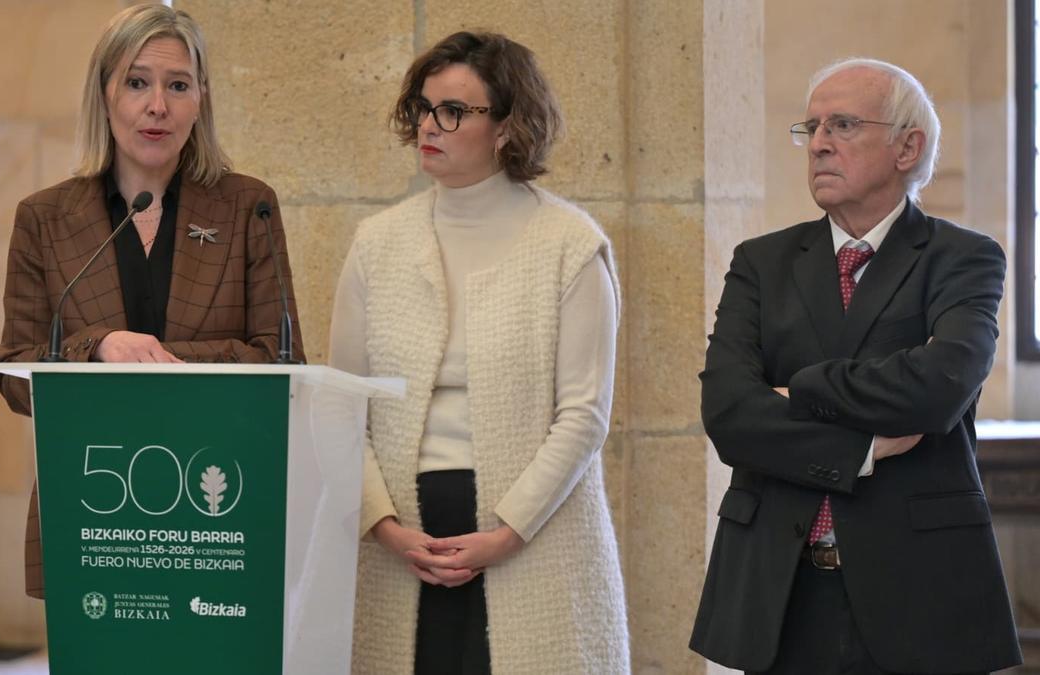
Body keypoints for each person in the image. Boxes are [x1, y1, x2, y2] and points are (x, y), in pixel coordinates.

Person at [690, 57, 1021, 674]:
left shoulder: (963, 258)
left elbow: (940, 386)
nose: (817, 144)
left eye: (842, 125)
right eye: (810, 128)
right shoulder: (761, 262)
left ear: (907, 147)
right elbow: (730, 412)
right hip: (778, 591)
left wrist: (799, 390)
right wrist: (862, 449)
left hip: (918, 590)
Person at [329, 31, 629, 675]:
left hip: (533, 533)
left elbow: (584, 416)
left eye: (453, 111)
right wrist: (384, 526)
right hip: (402, 540)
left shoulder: (568, 246)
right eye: (423, 107)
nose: (428, 126)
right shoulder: (377, 244)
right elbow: (342, 407)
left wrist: (504, 534)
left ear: (506, 127)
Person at [0, 4, 302, 599]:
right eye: (137, 82)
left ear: (201, 100)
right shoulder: (45, 219)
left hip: (222, 512)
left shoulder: (248, 207)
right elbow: (15, 373)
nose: (157, 105)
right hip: (94, 504)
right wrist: (99, 347)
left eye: (177, 85)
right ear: (104, 94)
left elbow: (283, 362)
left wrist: (154, 360)